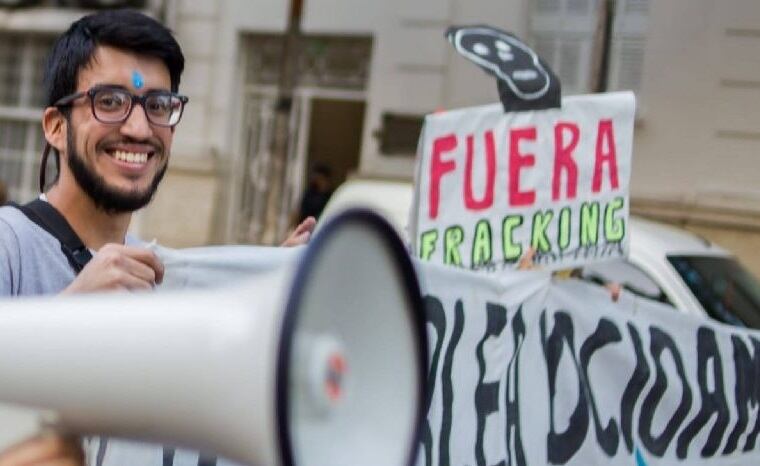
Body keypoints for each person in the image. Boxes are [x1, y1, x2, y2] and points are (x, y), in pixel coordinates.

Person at [0, 9, 313, 466]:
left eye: (159, 105)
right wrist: (67, 315)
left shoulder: (157, 275)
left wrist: (269, 280)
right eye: (109, 101)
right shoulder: (10, 244)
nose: (140, 128)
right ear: (54, 126)